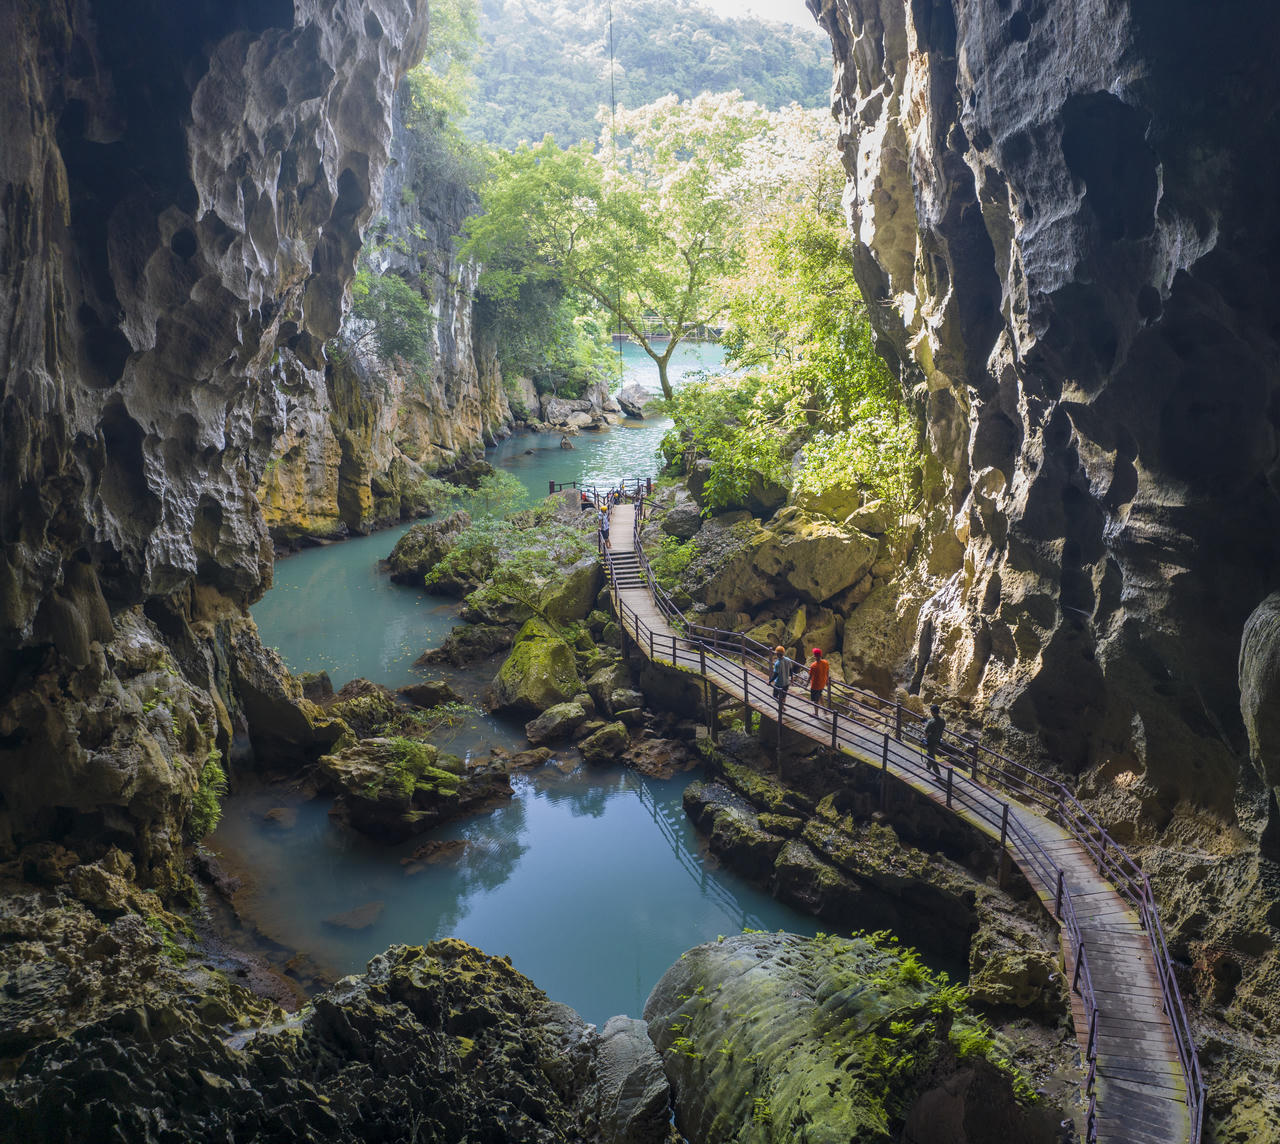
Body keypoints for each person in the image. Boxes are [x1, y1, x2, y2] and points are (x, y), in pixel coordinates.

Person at [923, 703, 945, 776]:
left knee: (931, 757)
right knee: (930, 754)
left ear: (932, 712)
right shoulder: (942, 720)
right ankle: (928, 767)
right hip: (938, 739)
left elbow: (926, 732)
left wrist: (925, 738)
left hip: (931, 741)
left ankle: (938, 775)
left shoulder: (931, 722)